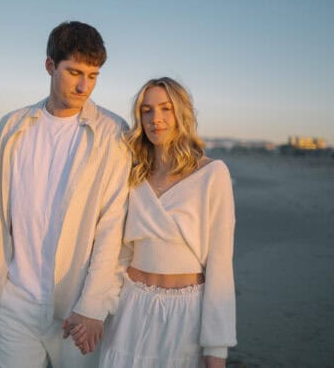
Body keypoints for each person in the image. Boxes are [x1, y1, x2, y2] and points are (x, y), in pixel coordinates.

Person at [0, 21, 131, 368]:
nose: (84, 85)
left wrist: (94, 306)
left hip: (76, 304)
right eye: (74, 72)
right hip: (13, 299)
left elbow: (113, 225)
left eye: (93, 76)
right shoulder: (13, 125)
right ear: (50, 66)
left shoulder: (113, 133)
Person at [73, 77, 236, 367]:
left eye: (165, 109)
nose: (155, 119)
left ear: (181, 114)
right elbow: (121, 254)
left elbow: (221, 268)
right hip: (131, 310)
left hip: (186, 317)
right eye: (146, 110)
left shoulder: (213, 175)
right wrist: (97, 309)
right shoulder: (134, 174)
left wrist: (217, 350)